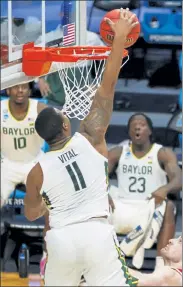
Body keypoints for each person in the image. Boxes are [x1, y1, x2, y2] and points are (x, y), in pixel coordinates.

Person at [24, 8, 139, 286]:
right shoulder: (90, 137)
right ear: (66, 127)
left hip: (62, 239)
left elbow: (31, 213)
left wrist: (46, 205)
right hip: (96, 234)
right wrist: (119, 41)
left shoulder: (37, 171)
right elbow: (107, 87)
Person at [108, 113, 182, 269]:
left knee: (169, 207)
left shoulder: (162, 153)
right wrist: (102, 193)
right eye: (133, 125)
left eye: (141, 124)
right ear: (129, 132)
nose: (137, 126)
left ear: (150, 131)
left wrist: (165, 188)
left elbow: (179, 179)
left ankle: (162, 268)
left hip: (150, 209)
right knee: (96, 204)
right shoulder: (118, 152)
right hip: (122, 207)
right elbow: (96, 177)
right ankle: (97, 267)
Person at [1, 83, 47, 207]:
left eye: (24, 87)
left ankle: (53, 226)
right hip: (8, 164)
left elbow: (60, 125)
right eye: (16, 87)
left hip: (33, 163)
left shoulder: (40, 108)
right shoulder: (1, 109)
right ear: (8, 90)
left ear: (30, 91)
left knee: (51, 201)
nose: (20, 90)